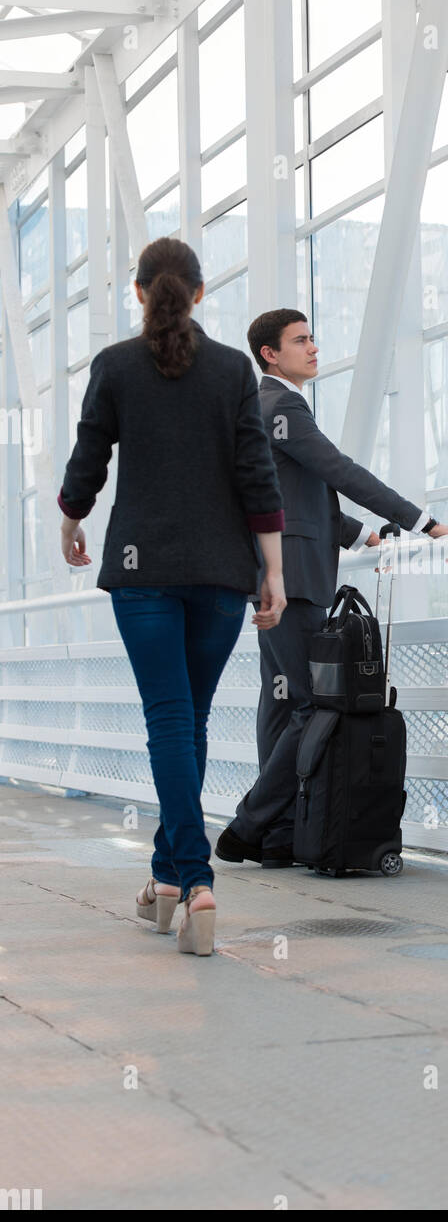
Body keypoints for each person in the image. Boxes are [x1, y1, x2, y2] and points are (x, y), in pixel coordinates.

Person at [57, 238, 287, 956]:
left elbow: (89, 456)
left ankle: (194, 879)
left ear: (138, 292)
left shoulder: (117, 366)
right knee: (187, 721)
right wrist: (272, 571)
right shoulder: (231, 370)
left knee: (169, 719)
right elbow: (257, 474)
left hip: (141, 565)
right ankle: (166, 881)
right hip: (222, 571)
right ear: (199, 290)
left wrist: (70, 519)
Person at [216, 308, 448, 869]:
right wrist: (422, 521)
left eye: (313, 339)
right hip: (292, 576)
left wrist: (359, 535)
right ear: (269, 355)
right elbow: (340, 471)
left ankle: (278, 835)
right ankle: (248, 827)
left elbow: (290, 492)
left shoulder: (261, 408)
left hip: (275, 571)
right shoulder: (281, 406)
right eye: (301, 341)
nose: (314, 348)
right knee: (311, 706)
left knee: (280, 705)